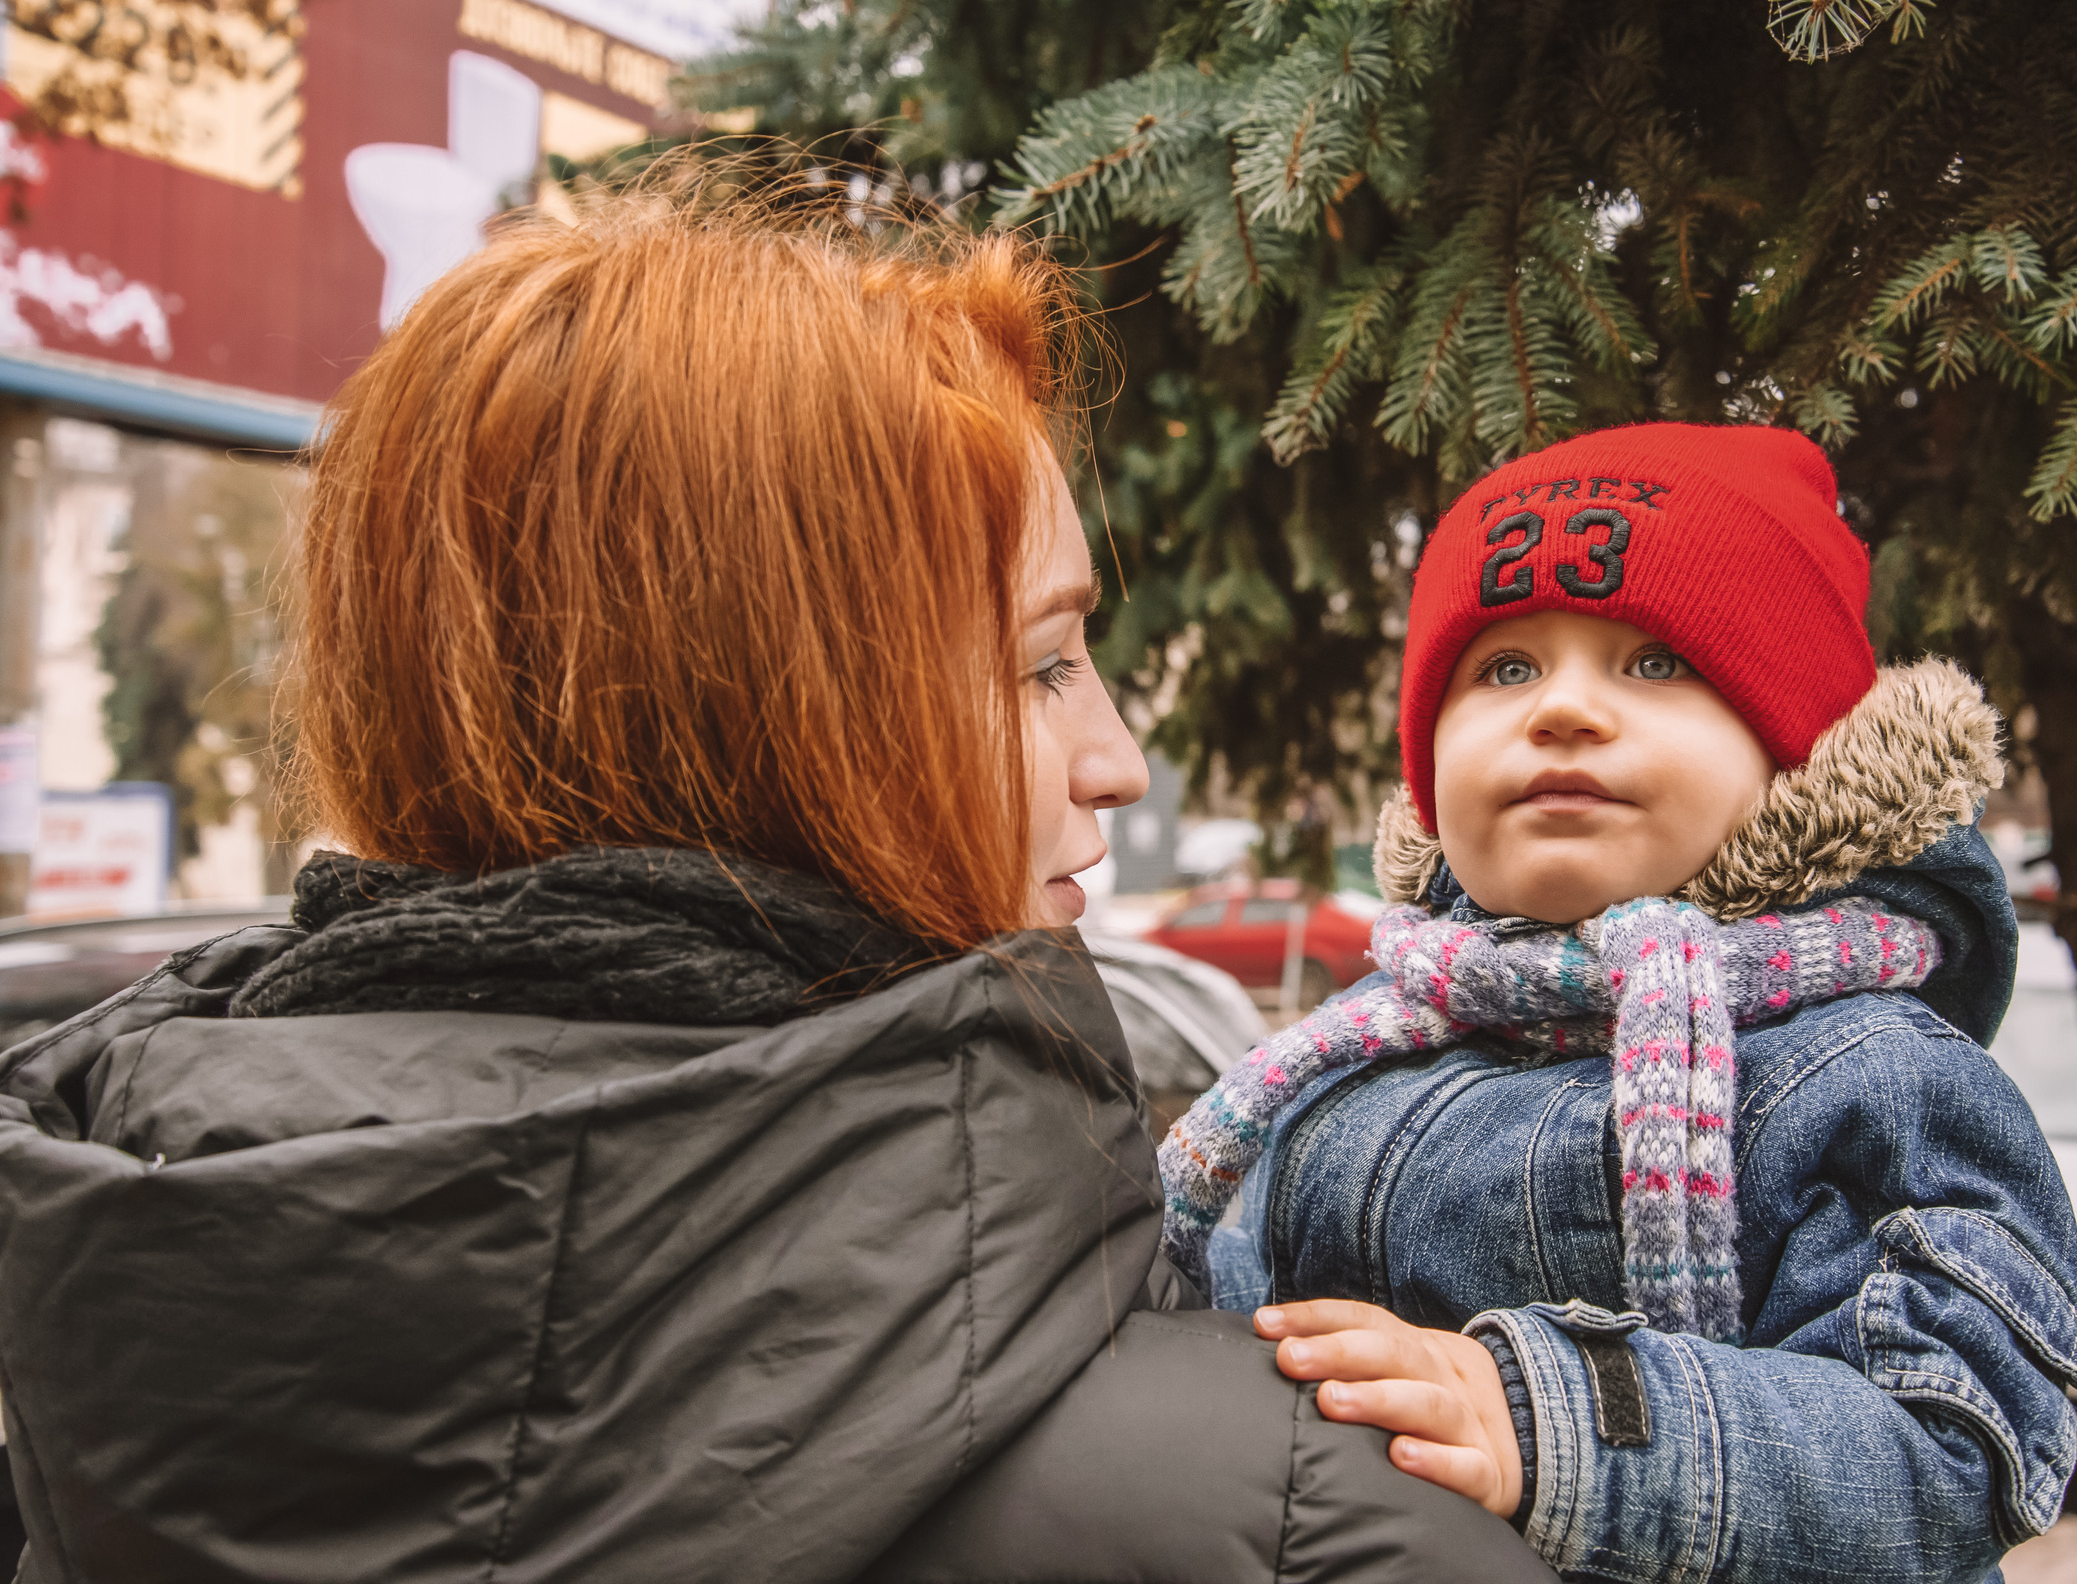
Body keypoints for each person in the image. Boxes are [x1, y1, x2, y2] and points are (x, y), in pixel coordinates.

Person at [0, 189, 1556, 1583]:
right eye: (1040, 662)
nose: (1118, 755)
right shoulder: (1280, 1506)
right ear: (764, 721)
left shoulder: (82, 1354)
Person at [1159, 426, 2077, 1583]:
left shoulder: (1876, 1071)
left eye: (1653, 662)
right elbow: (1229, 1330)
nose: (1562, 709)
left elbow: (1954, 1445)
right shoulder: (1349, 1061)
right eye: (1505, 668)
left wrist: (1551, 1418)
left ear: (1793, 754)